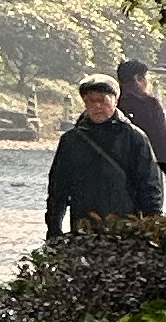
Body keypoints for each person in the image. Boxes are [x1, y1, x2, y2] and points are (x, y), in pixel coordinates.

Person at [46, 78, 164, 235]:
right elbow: (58, 186)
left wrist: (152, 226)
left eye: (102, 100)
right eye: (90, 101)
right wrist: (54, 227)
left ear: (115, 100)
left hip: (126, 226)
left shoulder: (134, 137)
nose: (97, 106)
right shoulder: (72, 140)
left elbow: (150, 184)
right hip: (84, 225)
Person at [120, 58, 166, 174]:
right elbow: (160, 137)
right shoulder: (150, 104)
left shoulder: (113, 103)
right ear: (138, 79)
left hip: (118, 167)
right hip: (147, 165)